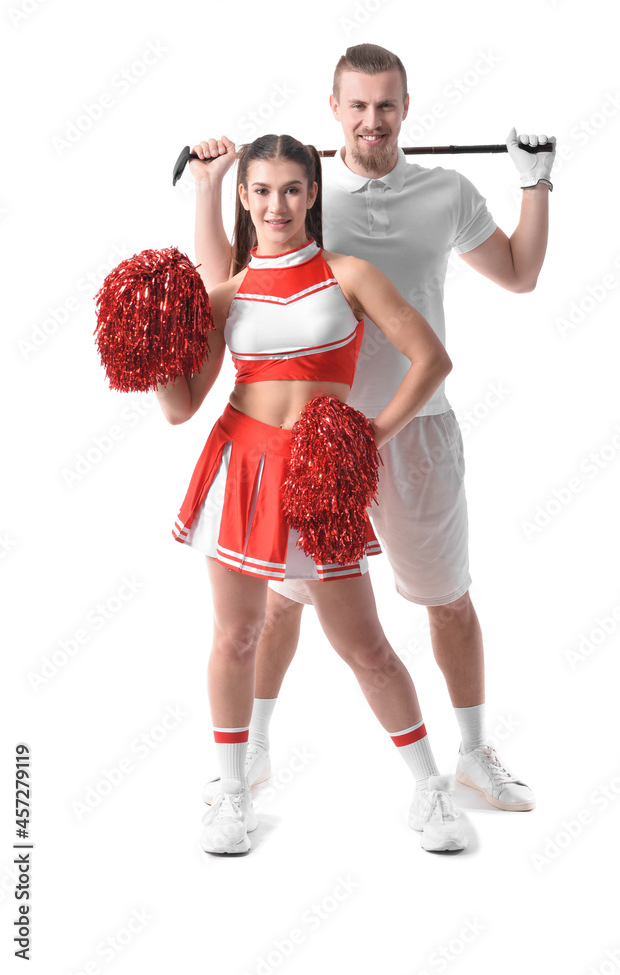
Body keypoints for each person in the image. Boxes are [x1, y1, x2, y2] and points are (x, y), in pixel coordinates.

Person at [192, 44, 555, 822]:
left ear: (407, 107)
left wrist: (535, 185)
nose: (372, 119)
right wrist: (215, 181)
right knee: (280, 607)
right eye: (357, 105)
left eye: (386, 104)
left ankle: (470, 756)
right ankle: (249, 753)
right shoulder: (303, 202)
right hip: (306, 454)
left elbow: (521, 275)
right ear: (333, 111)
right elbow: (230, 283)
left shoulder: (445, 191)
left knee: (446, 600)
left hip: (413, 431)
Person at [156, 133, 461, 856]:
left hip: (322, 477)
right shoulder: (226, 292)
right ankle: (233, 795)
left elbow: (432, 360)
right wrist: (155, 352)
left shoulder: (348, 273)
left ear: (313, 194)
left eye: (291, 189)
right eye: (260, 190)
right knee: (236, 636)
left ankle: (431, 788)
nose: (276, 204)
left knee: (367, 647)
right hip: (239, 468)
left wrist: (367, 439)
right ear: (243, 197)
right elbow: (179, 407)